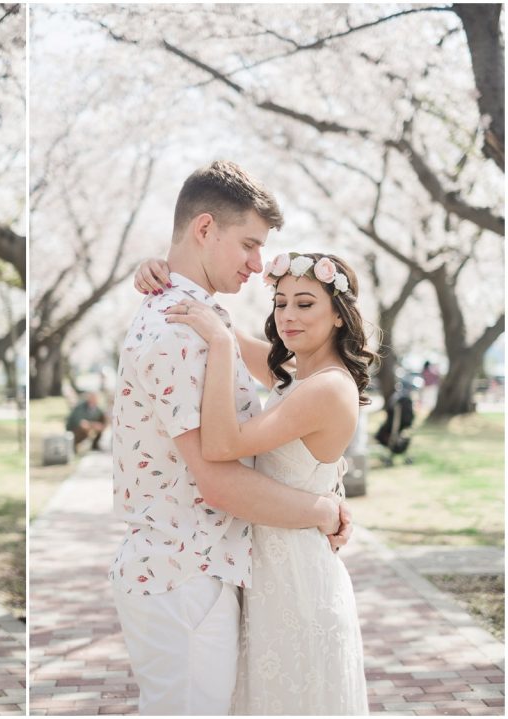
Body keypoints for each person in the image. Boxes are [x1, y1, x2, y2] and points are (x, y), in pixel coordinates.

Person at [111, 160, 351, 716]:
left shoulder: (196, 317)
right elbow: (217, 480)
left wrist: (166, 276)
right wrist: (322, 509)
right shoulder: (180, 332)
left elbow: (285, 373)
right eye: (248, 244)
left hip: (203, 569)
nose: (256, 264)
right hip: (181, 575)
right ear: (203, 229)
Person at [164, 251, 373, 714]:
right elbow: (232, 333)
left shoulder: (327, 387)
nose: (287, 317)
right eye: (280, 303)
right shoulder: (300, 376)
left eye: (304, 303)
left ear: (339, 315)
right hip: (270, 573)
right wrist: (163, 272)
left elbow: (222, 444)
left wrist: (219, 346)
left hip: (298, 580)